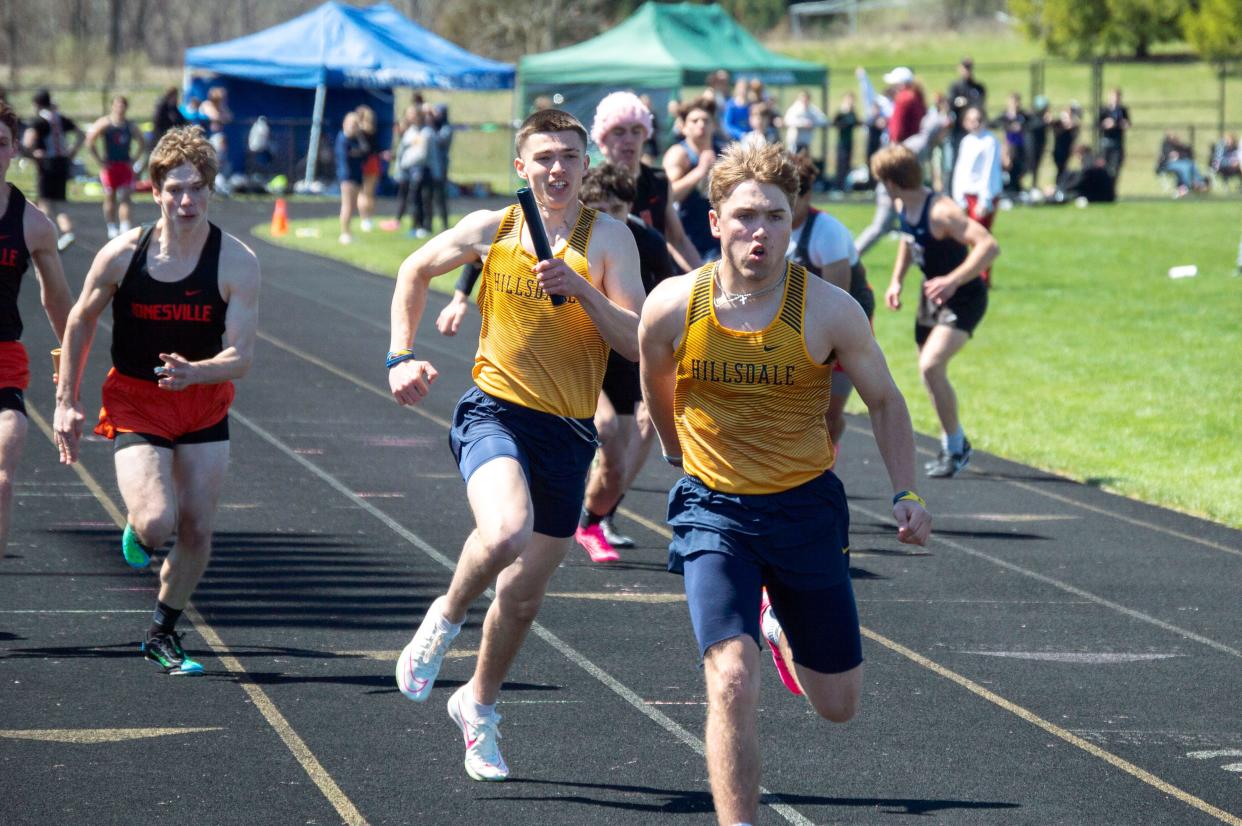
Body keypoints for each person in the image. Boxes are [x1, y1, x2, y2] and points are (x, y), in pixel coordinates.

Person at [638, 142, 932, 826]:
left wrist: (906, 493)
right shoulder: (674, 305)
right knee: (731, 678)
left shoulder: (830, 311)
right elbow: (654, 373)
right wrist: (671, 442)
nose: (759, 231)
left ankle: (782, 629)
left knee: (839, 704)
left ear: (792, 222)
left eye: (774, 216)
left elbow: (885, 401)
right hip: (714, 508)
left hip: (804, 509)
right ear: (715, 223)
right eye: (743, 216)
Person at [388, 109, 645, 782]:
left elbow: (636, 338)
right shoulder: (494, 228)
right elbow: (414, 270)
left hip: (567, 432)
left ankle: (477, 706)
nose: (557, 168)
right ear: (521, 165)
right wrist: (399, 356)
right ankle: (443, 620)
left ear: (587, 165)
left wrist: (581, 288)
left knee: (523, 595)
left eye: (569, 155)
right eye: (545, 157)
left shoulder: (610, 238)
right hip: (494, 410)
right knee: (504, 532)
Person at [52, 126, 260, 675]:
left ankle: (162, 631)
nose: (186, 201)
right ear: (155, 193)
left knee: (196, 531)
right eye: (175, 190)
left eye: (196, 188)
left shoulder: (236, 262)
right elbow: (79, 321)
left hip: (203, 401)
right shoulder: (124, 254)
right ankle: (140, 525)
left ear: (211, 190)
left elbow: (241, 356)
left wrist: (197, 372)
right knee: (156, 524)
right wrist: (64, 401)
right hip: (137, 400)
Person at [874, 144, 999, 478]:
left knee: (931, 365)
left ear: (893, 181)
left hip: (963, 297)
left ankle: (956, 446)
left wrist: (952, 280)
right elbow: (907, 240)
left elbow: (989, 245)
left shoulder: (942, 212)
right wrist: (896, 281)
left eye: (882, 182)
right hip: (931, 297)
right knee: (929, 373)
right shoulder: (905, 205)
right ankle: (953, 446)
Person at [571, 163, 675, 563]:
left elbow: (667, 293)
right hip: (576, 350)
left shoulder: (647, 241)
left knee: (617, 465)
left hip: (625, 355)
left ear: (630, 207)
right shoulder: (574, 239)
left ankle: (591, 521)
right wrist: (461, 297)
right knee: (605, 426)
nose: (606, 217)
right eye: (597, 207)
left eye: (615, 208)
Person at [0, 103, 74, 555]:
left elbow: (58, 301)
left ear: (13, 151)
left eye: (1, 143)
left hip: (3, 357)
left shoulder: (33, 225)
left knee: (3, 474)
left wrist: (71, 370)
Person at [786, 154, 873, 451]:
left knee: (827, 413)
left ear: (807, 195)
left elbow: (838, 301)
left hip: (841, 320)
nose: (781, 205)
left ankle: (823, 466)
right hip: (796, 319)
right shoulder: (769, 226)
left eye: (791, 197)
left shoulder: (827, 232)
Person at [590, 91, 700, 272]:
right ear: (603, 138)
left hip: (655, 282)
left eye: (636, 131)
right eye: (618, 132)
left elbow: (679, 241)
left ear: (645, 135)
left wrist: (705, 282)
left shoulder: (658, 181)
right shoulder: (590, 184)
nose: (628, 140)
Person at [664, 97, 725, 262]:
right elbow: (668, 195)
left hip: (720, 237)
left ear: (713, 125)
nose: (701, 124)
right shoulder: (679, 154)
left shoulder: (724, 153)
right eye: (694, 120)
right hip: (688, 239)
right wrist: (700, 171)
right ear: (683, 127)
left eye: (706, 120)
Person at [23, 90, 83, 252]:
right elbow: (81, 134)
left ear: (36, 104)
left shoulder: (38, 121)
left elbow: (28, 143)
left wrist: (32, 155)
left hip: (47, 164)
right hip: (62, 163)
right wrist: (71, 151)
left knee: (45, 202)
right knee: (60, 203)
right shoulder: (60, 119)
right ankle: (68, 232)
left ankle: (46, 236)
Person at [950, 107, 1002, 283]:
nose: (975, 123)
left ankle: (982, 277)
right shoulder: (966, 141)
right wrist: (958, 196)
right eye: (971, 119)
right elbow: (961, 170)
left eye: (978, 119)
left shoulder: (990, 141)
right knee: (969, 237)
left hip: (982, 195)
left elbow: (989, 172)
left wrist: (984, 199)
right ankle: (975, 275)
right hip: (967, 194)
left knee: (981, 237)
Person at [85, 96, 142, 240]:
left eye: (122, 105)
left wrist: (134, 160)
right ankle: (111, 226)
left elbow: (142, 142)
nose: (120, 108)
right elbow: (90, 141)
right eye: (117, 105)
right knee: (110, 196)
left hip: (124, 165)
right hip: (110, 166)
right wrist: (99, 160)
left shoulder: (130, 126)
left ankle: (125, 226)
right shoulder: (105, 123)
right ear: (113, 106)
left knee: (125, 196)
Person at [946, 57, 986, 185]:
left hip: (974, 132)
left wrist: (966, 102)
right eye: (965, 67)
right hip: (958, 131)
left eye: (969, 67)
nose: (967, 71)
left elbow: (979, 105)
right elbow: (951, 105)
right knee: (955, 162)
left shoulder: (978, 88)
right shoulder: (955, 87)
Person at [392, 105, 431, 236]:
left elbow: (421, 153)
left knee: (418, 198)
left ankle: (420, 226)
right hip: (408, 169)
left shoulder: (424, 132)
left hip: (417, 169)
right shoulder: (411, 130)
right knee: (412, 198)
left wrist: (405, 163)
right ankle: (415, 226)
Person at [335, 113, 366, 245]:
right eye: (352, 124)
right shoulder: (343, 138)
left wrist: (359, 135)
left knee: (352, 206)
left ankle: (348, 232)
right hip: (347, 177)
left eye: (356, 125)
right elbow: (348, 155)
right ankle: (344, 233)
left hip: (356, 175)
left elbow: (364, 150)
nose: (355, 127)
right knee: (347, 205)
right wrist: (356, 152)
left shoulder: (355, 139)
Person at [355, 105, 381, 232]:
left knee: (363, 192)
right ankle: (368, 218)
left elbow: (364, 149)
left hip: (366, 162)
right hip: (374, 161)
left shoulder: (360, 132)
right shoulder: (373, 130)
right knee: (370, 193)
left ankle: (365, 219)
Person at [996, 93, 1029, 193]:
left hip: (1020, 146)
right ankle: (1009, 190)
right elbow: (994, 123)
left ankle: (1016, 189)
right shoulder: (1005, 116)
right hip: (1009, 146)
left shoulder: (1022, 116)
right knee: (1009, 169)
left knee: (1020, 170)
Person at [1098, 88, 1130, 182]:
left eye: (1117, 97)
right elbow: (1097, 124)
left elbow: (1128, 123)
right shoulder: (1104, 110)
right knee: (1103, 167)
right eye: (1113, 97)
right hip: (1106, 142)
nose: (1115, 99)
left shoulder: (1122, 110)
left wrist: (1124, 124)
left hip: (1118, 142)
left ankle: (1112, 188)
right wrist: (1105, 124)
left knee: (1116, 167)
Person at [783, 91, 828, 156]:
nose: (804, 101)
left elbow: (823, 120)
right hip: (794, 141)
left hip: (806, 142)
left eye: (806, 99)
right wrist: (803, 123)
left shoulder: (812, 109)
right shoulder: (794, 108)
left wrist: (812, 122)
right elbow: (788, 120)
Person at [832, 91, 859, 190]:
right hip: (842, 142)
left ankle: (846, 185)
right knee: (841, 164)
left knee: (848, 164)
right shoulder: (841, 113)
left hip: (849, 141)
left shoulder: (852, 112)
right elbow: (835, 122)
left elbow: (857, 122)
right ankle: (838, 186)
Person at [1051, 102, 1082, 185]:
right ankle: (1059, 185)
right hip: (1059, 150)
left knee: (1063, 169)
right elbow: (1057, 130)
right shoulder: (1059, 123)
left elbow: (1076, 132)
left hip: (1067, 149)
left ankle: (1061, 185)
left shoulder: (1073, 125)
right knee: (1060, 168)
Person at [1027, 95, 1051, 190]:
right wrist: (1045, 122)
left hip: (1039, 145)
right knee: (1031, 166)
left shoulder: (1043, 118)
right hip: (1032, 145)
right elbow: (1033, 126)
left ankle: (1034, 185)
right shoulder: (1032, 117)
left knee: (1036, 166)